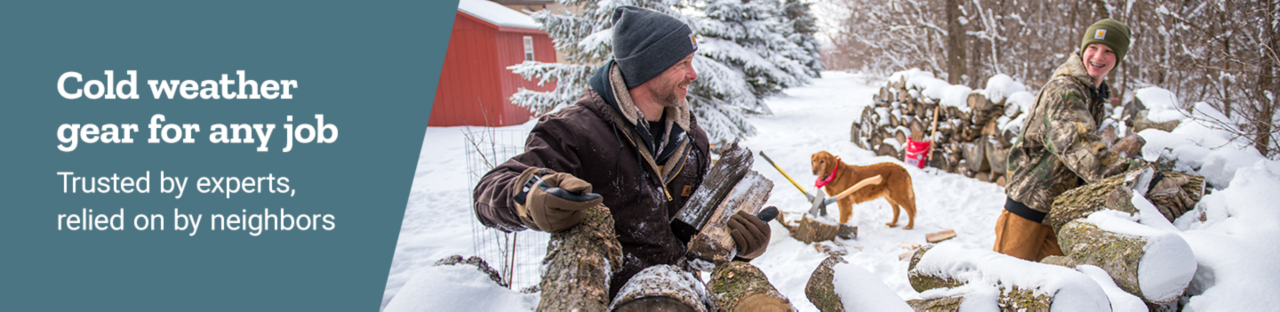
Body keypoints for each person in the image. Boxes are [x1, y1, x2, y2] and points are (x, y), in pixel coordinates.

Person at [473, 6, 771, 298]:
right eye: (681, 64)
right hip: (608, 303)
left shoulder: (692, 138)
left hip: (682, 301)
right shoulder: (574, 132)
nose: (692, 74)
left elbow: (698, 235)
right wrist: (531, 198)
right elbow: (489, 193)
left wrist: (741, 245)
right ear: (647, 67)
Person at [995, 19, 1145, 261]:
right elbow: (1079, 145)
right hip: (1030, 208)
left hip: (1061, 210)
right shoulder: (1065, 90)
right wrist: (1133, 173)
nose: (1098, 56)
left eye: (1108, 51)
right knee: (1005, 286)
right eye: (1093, 48)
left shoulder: (1092, 92)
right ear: (1083, 49)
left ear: (1118, 57)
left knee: (1047, 292)